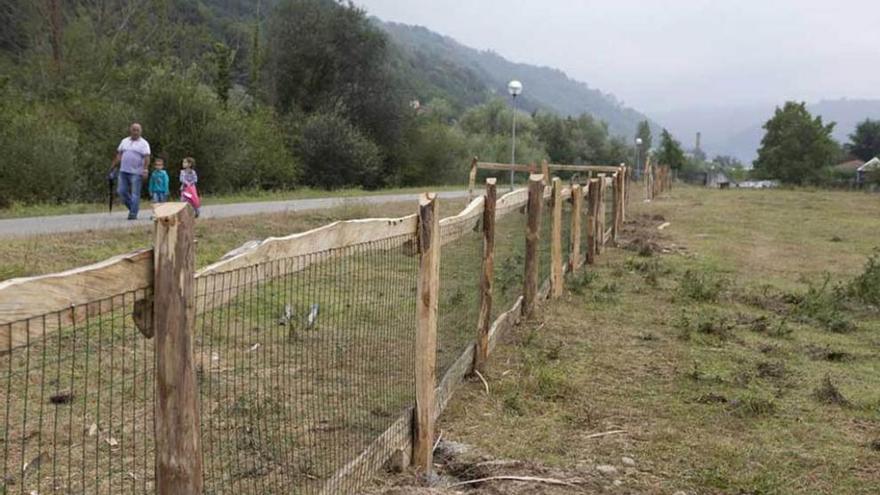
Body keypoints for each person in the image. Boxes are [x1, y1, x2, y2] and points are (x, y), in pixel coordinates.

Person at [109, 123, 151, 220]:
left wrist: (145, 169)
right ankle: (133, 207)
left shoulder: (144, 143)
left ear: (141, 131)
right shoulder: (124, 141)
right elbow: (119, 155)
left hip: (137, 172)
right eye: (133, 130)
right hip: (124, 171)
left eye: (137, 130)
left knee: (135, 193)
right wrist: (113, 166)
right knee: (121, 191)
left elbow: (147, 157)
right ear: (130, 130)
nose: (135, 132)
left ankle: (133, 213)